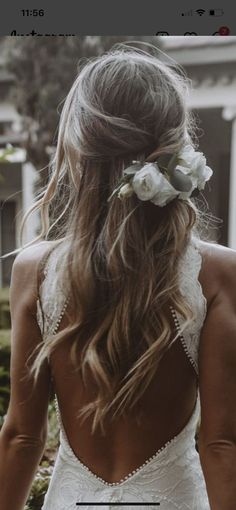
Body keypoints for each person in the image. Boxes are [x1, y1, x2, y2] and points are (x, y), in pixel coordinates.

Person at [0, 44, 236, 510]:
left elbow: (21, 438)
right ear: (175, 145)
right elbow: (222, 444)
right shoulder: (217, 273)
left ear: (77, 145)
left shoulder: (35, 270)